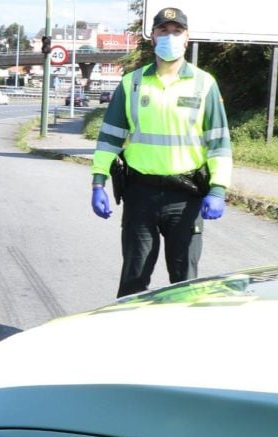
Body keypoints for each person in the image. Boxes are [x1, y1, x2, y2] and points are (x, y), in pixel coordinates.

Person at [89, 7, 233, 298]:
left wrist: (218, 190)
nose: (170, 37)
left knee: (184, 281)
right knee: (134, 276)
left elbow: (219, 143)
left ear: (187, 38)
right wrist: (98, 182)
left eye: (176, 31)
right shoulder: (132, 83)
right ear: (152, 37)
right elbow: (110, 138)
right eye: (163, 31)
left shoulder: (204, 84)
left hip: (186, 196)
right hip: (140, 194)